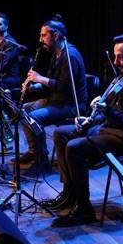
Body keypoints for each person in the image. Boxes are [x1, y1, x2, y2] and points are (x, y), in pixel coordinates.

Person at [46, 34, 123, 227]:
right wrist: (90, 120)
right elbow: (112, 111)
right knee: (61, 134)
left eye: (121, 57)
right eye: (115, 56)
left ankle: (84, 210)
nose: (115, 62)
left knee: (74, 147)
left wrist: (107, 112)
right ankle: (69, 193)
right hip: (110, 129)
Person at [16, 17, 87, 171]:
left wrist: (40, 78)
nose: (40, 40)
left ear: (55, 35)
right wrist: (34, 86)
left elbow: (65, 88)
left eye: (43, 35)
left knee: (33, 117)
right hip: (56, 100)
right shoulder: (56, 54)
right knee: (23, 110)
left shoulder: (70, 56)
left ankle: (42, 161)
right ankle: (34, 151)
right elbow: (52, 83)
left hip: (70, 106)